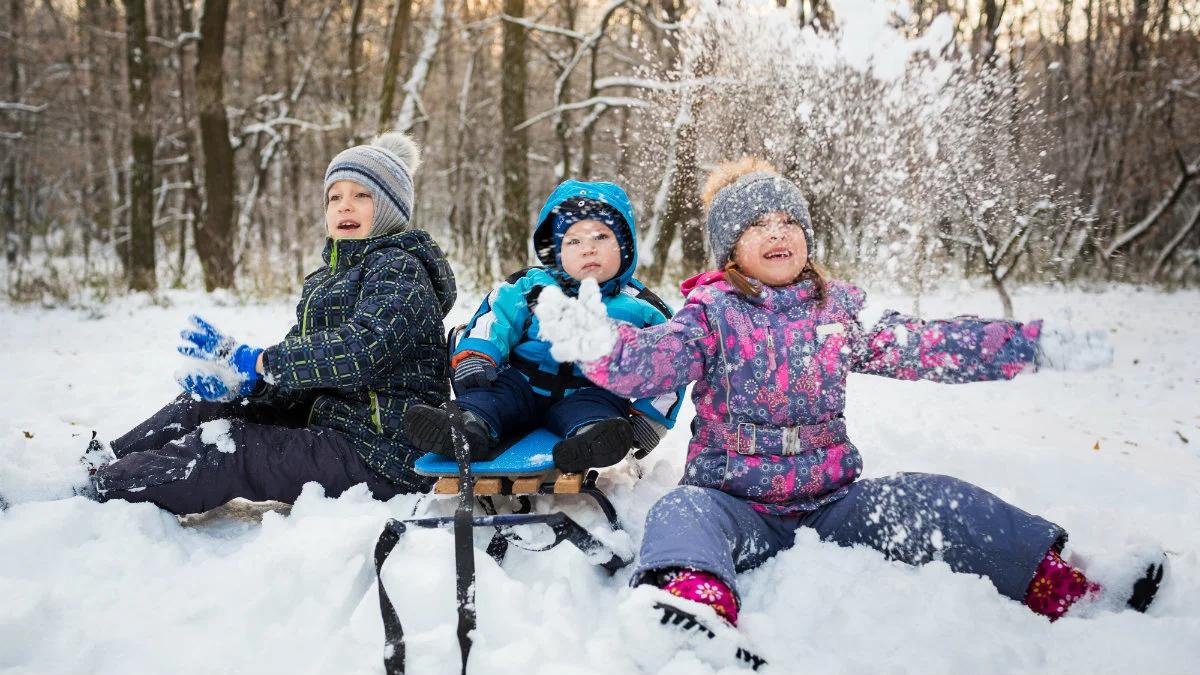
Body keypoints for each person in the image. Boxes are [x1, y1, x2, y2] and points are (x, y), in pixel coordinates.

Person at [533, 158, 1164, 630]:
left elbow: (927, 345)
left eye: (788, 221)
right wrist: (598, 344)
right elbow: (650, 365)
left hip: (836, 503)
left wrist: (1027, 345)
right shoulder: (710, 314)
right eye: (756, 224)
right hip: (735, 507)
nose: (777, 231)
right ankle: (692, 609)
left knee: (937, 498)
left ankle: (1065, 585)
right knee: (678, 514)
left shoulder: (838, 314)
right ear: (730, 249)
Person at [77, 132, 457, 515]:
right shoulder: (327, 281)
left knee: (232, 449)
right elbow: (306, 375)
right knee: (212, 403)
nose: (345, 207)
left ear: (391, 208)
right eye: (335, 197)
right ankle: (103, 461)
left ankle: (96, 491)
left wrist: (263, 362)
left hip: (385, 453)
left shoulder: (402, 272)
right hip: (337, 429)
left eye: (362, 196)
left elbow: (361, 350)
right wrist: (251, 383)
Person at [404, 180, 682, 472]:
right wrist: (477, 353)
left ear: (625, 247)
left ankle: (592, 442)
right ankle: (464, 427)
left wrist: (651, 417)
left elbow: (670, 363)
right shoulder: (531, 285)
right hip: (521, 382)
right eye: (573, 241)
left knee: (597, 414)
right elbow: (495, 318)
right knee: (490, 400)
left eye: (601, 237)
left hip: (592, 389)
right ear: (557, 251)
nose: (588, 249)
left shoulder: (642, 307)